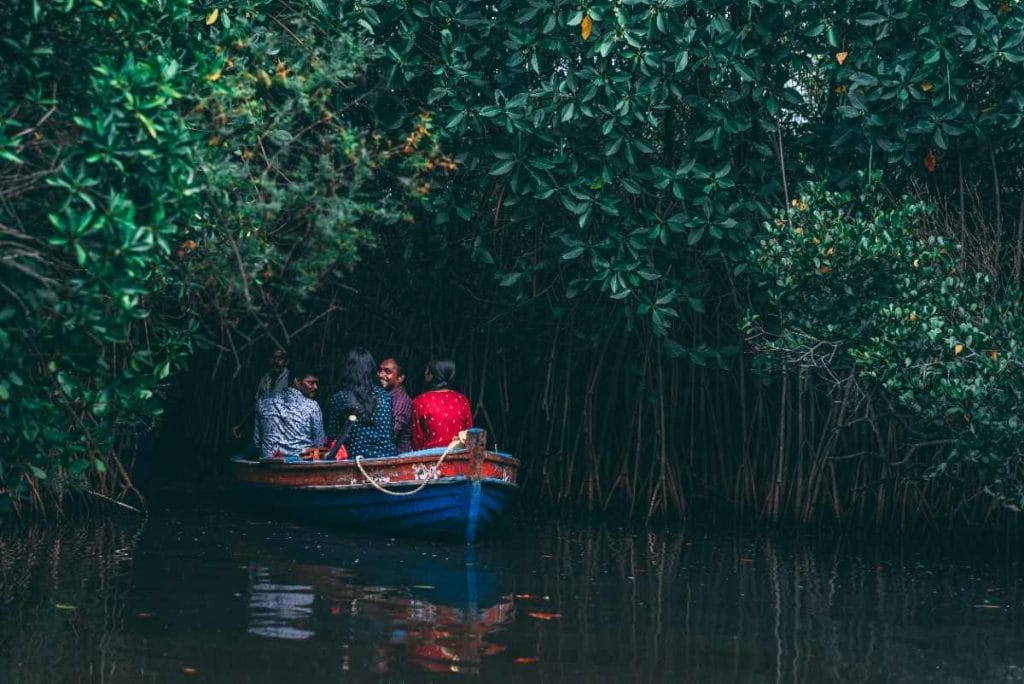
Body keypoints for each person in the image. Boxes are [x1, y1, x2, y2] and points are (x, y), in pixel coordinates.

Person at [326, 348, 396, 459]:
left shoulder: (340, 398)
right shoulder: (384, 395)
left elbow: (332, 437)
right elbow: (391, 432)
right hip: (387, 458)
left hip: (356, 461)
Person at [253, 365, 325, 459]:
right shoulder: (313, 406)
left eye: (316, 383)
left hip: (269, 463)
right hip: (301, 465)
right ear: (297, 382)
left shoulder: (263, 402)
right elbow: (319, 443)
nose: (315, 387)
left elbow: (257, 442)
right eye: (311, 383)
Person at [411, 359, 472, 450]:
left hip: (430, 458)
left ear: (432, 375)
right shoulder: (462, 400)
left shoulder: (420, 401)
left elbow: (417, 439)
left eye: (427, 370)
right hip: (460, 457)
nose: (425, 373)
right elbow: (469, 434)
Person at [378, 356, 413, 453]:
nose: (381, 374)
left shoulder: (402, 401)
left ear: (400, 378)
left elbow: (389, 434)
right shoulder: (384, 396)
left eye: (387, 372)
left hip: (398, 458)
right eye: (380, 370)